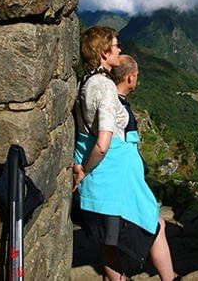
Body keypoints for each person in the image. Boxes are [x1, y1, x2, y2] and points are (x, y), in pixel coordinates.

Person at [72, 27, 178, 281]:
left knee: (109, 240)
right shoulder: (106, 88)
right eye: (116, 45)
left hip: (105, 178)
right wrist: (85, 169)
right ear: (103, 52)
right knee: (153, 223)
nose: (119, 49)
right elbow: (103, 143)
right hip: (113, 176)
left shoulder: (85, 81)